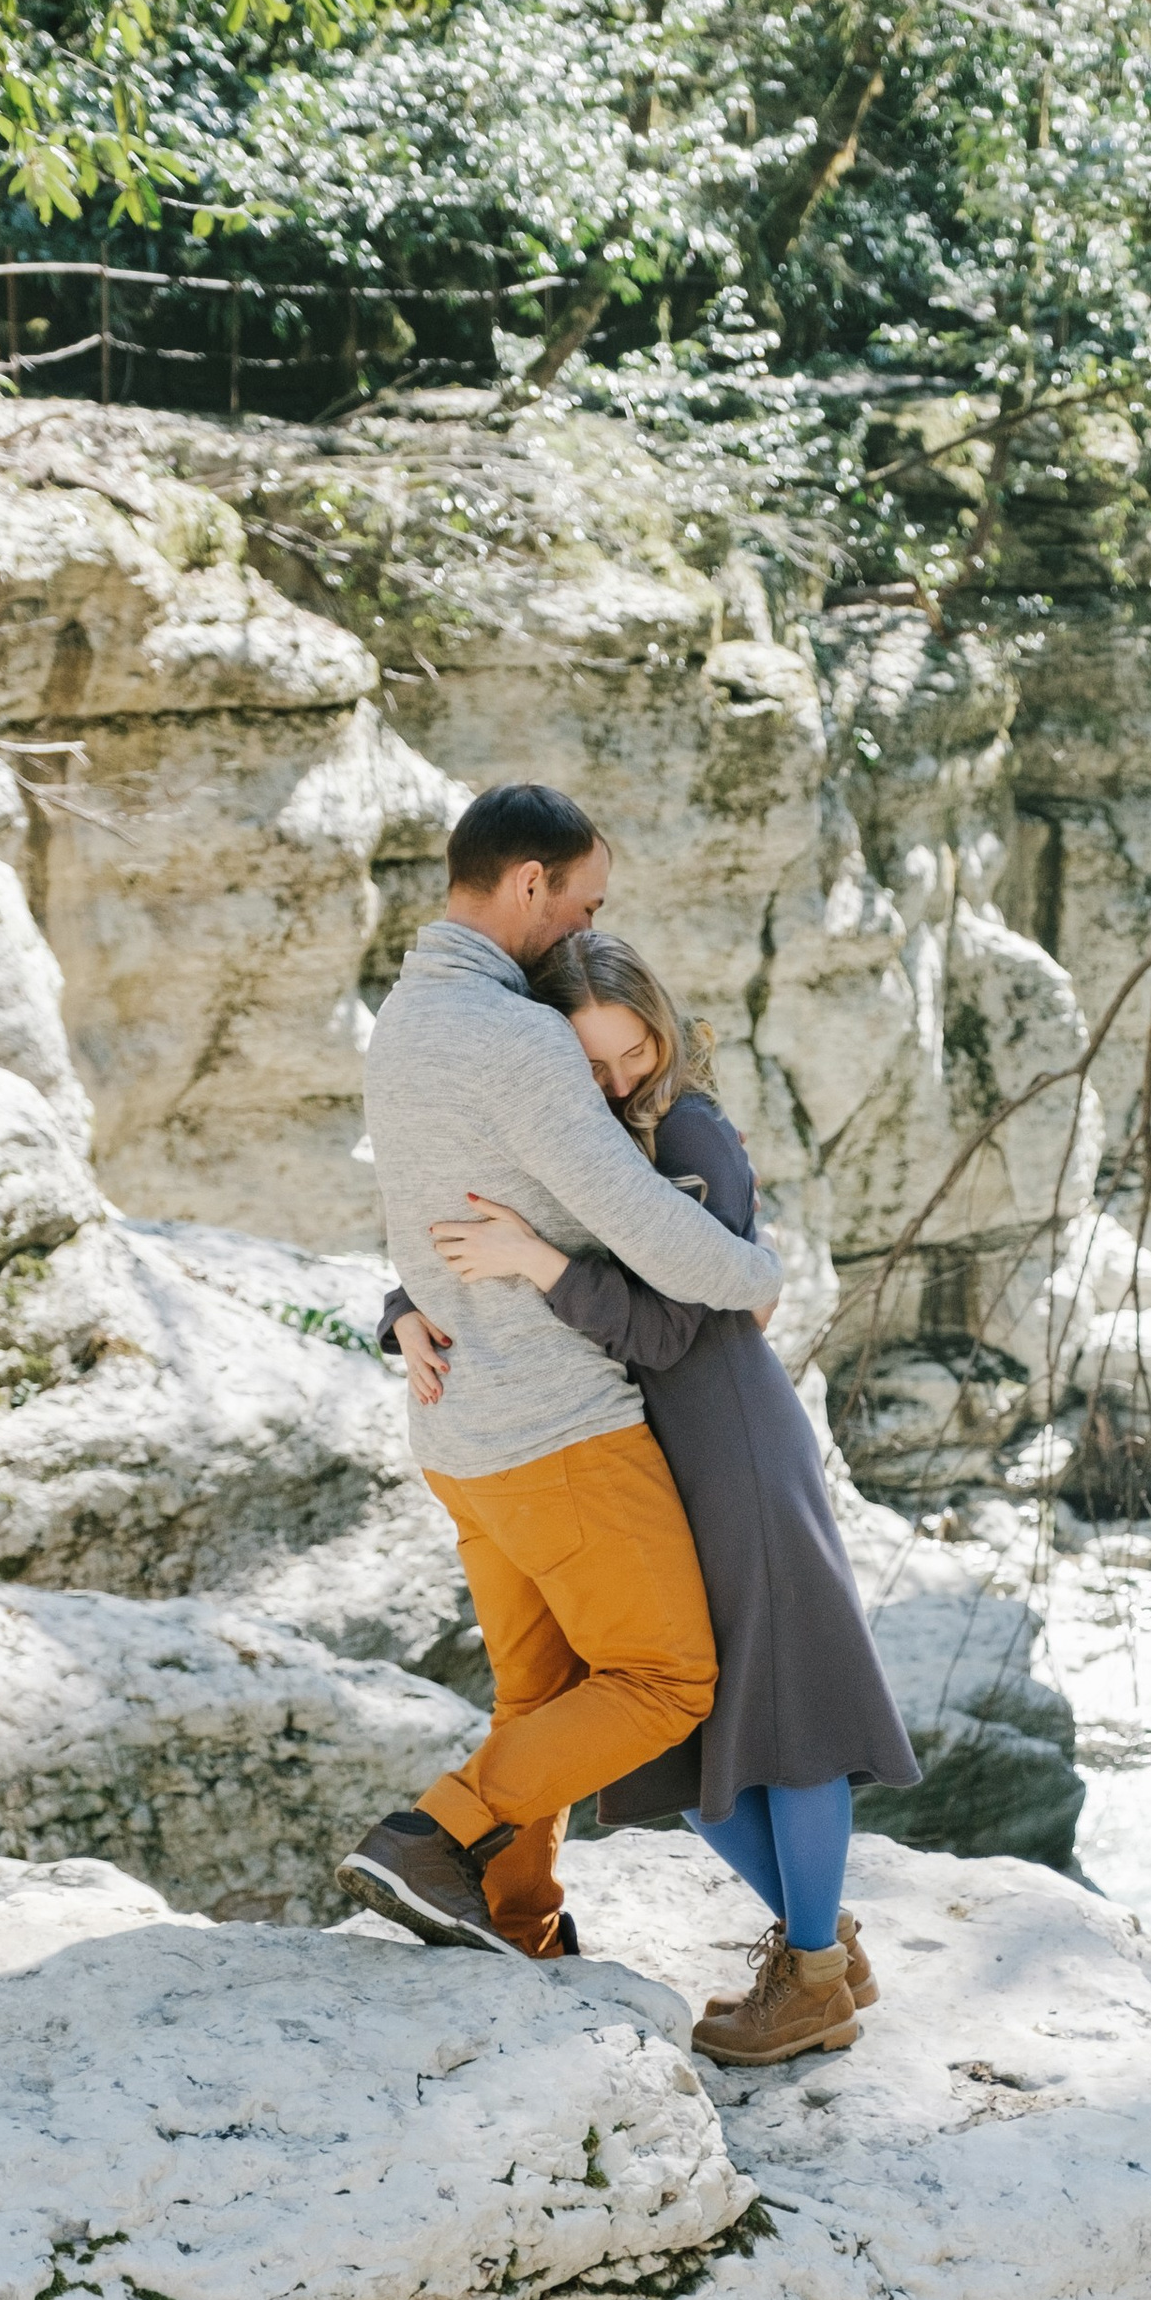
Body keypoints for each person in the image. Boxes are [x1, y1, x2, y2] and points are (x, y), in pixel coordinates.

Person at [383, 928, 920, 2068]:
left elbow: (681, 1320)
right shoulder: (574, 1125)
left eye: (635, 1050)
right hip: (643, 1453)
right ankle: (824, 1948)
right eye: (593, 1060)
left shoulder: (687, 1130)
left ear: (661, 1028)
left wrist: (536, 1267)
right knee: (694, 1748)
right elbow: (469, 1207)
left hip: (728, 1442)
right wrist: (401, 1303)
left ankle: (813, 1971)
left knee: (791, 1719)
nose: (620, 1076)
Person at [338, 786, 783, 1961]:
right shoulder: (519, 1035)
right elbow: (642, 1222)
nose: (586, 927)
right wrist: (756, 1270)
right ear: (528, 884)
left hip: (461, 1442)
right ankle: (437, 1830)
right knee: (664, 1678)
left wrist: (406, 1313)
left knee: (539, 1699)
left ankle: (513, 1919)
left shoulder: (405, 1020)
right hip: (559, 1429)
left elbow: (413, 1209)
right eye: (582, 901)